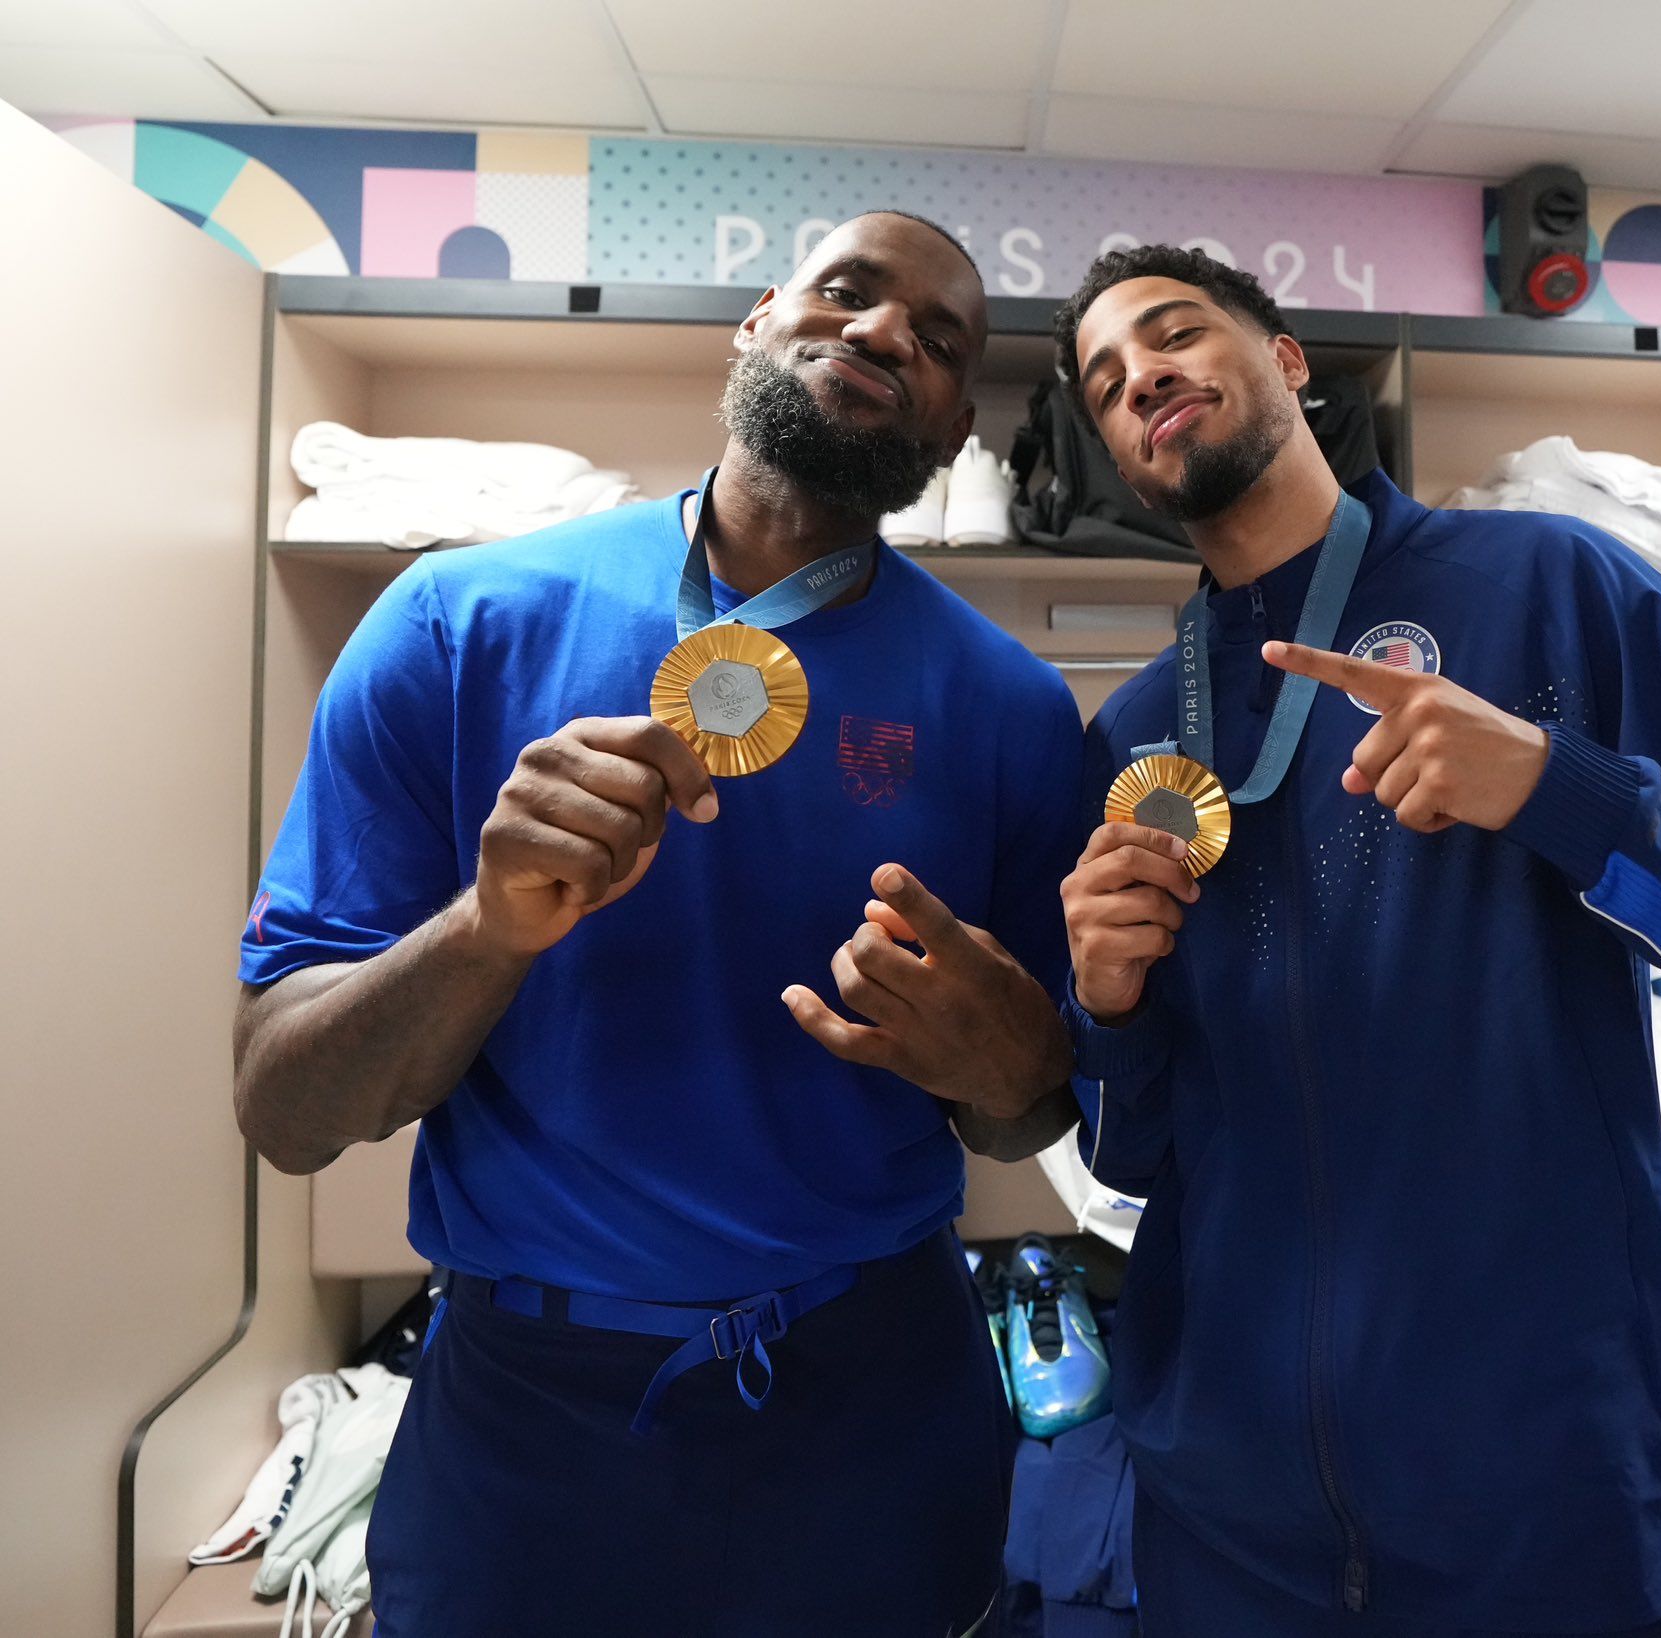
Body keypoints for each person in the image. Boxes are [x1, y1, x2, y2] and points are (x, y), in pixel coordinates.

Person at [1052, 245, 1661, 1636]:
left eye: (1174, 334)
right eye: (1107, 383)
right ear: (1120, 455)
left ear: (1286, 360)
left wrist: (1564, 791)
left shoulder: (1551, 592)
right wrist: (1106, 1006)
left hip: (1544, 1509)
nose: (1142, 379)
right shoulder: (1136, 735)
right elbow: (1130, 1159)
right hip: (1226, 1533)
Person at [233, 211, 1083, 1638]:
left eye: (942, 342)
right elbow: (285, 1109)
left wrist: (1008, 1068)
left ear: (953, 437)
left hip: (875, 1409)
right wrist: (486, 929)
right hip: (529, 1428)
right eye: (847, 291)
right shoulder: (455, 622)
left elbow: (1027, 1116)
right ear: (757, 321)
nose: (885, 331)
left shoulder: (1012, 708)